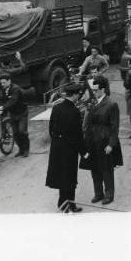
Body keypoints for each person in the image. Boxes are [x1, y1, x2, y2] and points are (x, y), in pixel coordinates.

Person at [45, 83, 88, 213]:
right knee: (70, 177)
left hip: (57, 147)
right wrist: (84, 151)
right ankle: (69, 204)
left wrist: (57, 141)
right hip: (69, 149)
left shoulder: (57, 108)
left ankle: (63, 203)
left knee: (61, 176)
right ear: (74, 95)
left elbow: (51, 128)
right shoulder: (74, 111)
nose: (79, 97)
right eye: (78, 95)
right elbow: (77, 135)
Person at [80, 76, 123, 205]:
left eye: (96, 90)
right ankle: (98, 193)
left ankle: (109, 194)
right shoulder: (92, 103)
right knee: (94, 168)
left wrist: (111, 144)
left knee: (106, 169)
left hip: (104, 140)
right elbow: (86, 121)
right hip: (92, 140)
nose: (94, 92)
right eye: (93, 90)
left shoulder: (111, 104)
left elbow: (115, 127)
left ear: (103, 89)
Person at [0, 72, 30, 157]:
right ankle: (21, 150)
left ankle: (26, 149)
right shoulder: (3, 89)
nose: (2, 84)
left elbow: (12, 101)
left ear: (9, 81)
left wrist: (1, 108)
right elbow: (1, 100)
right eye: (1, 83)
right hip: (13, 114)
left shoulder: (15, 89)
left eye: (4, 82)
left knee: (22, 131)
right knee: (16, 133)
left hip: (22, 113)